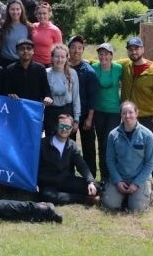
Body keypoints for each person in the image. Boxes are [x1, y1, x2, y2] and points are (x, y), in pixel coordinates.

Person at [119, 36, 153, 200]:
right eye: (130, 49)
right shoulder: (125, 66)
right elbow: (105, 60)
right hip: (128, 117)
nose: (133, 52)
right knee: (127, 149)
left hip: (147, 117)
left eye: (136, 48)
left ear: (142, 50)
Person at [102, 101, 153, 213]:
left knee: (137, 210)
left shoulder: (148, 135)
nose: (127, 116)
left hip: (139, 179)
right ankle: (123, 196)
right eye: (124, 113)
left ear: (137, 113)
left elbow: (150, 163)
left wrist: (136, 183)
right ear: (120, 115)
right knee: (109, 206)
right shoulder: (113, 135)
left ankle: (149, 194)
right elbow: (110, 160)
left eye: (130, 112)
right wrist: (117, 181)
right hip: (120, 178)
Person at [38, 114, 99, 205]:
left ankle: (71, 196)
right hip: (48, 182)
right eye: (61, 126)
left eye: (67, 127)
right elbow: (35, 166)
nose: (64, 129)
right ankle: (83, 199)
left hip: (65, 180)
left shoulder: (72, 145)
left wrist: (91, 182)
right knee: (47, 196)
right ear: (56, 126)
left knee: (96, 187)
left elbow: (81, 165)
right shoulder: (43, 143)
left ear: (71, 129)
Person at [67, 35, 99, 177]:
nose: (76, 51)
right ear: (69, 49)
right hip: (69, 114)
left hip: (86, 114)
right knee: (69, 145)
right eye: (73, 47)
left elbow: (93, 97)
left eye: (80, 48)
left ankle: (90, 176)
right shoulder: (63, 67)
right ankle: (68, 174)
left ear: (83, 50)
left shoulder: (88, 71)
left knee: (88, 147)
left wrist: (89, 118)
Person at [92, 42, 123, 183]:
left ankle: (113, 174)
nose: (103, 56)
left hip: (114, 112)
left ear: (111, 55)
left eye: (106, 54)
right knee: (101, 143)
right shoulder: (94, 68)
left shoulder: (118, 68)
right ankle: (104, 176)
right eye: (101, 53)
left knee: (110, 143)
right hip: (98, 111)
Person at [2, 39, 52, 106]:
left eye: (29, 48)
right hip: (15, 107)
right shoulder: (9, 69)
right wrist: (10, 95)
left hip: (34, 109)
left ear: (33, 51)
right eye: (22, 49)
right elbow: (4, 92)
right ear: (17, 52)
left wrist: (48, 98)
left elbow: (46, 91)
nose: (25, 51)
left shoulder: (40, 68)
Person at [45, 44, 80, 135]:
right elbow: (41, 95)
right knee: (51, 143)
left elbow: (76, 98)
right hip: (51, 113)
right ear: (52, 57)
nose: (59, 60)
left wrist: (76, 119)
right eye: (57, 56)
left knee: (67, 144)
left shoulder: (72, 73)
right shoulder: (46, 73)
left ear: (66, 58)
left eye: (62, 57)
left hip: (67, 113)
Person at [0, 0, 32, 69]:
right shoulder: (3, 26)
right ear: (8, 11)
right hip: (5, 62)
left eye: (17, 9)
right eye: (12, 9)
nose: (15, 12)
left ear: (21, 10)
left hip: (22, 62)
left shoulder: (28, 26)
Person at [31, 2, 62, 67]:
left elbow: (60, 50)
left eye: (44, 13)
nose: (42, 16)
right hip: (33, 63)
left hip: (48, 64)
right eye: (39, 13)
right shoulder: (33, 27)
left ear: (49, 14)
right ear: (36, 14)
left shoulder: (55, 30)